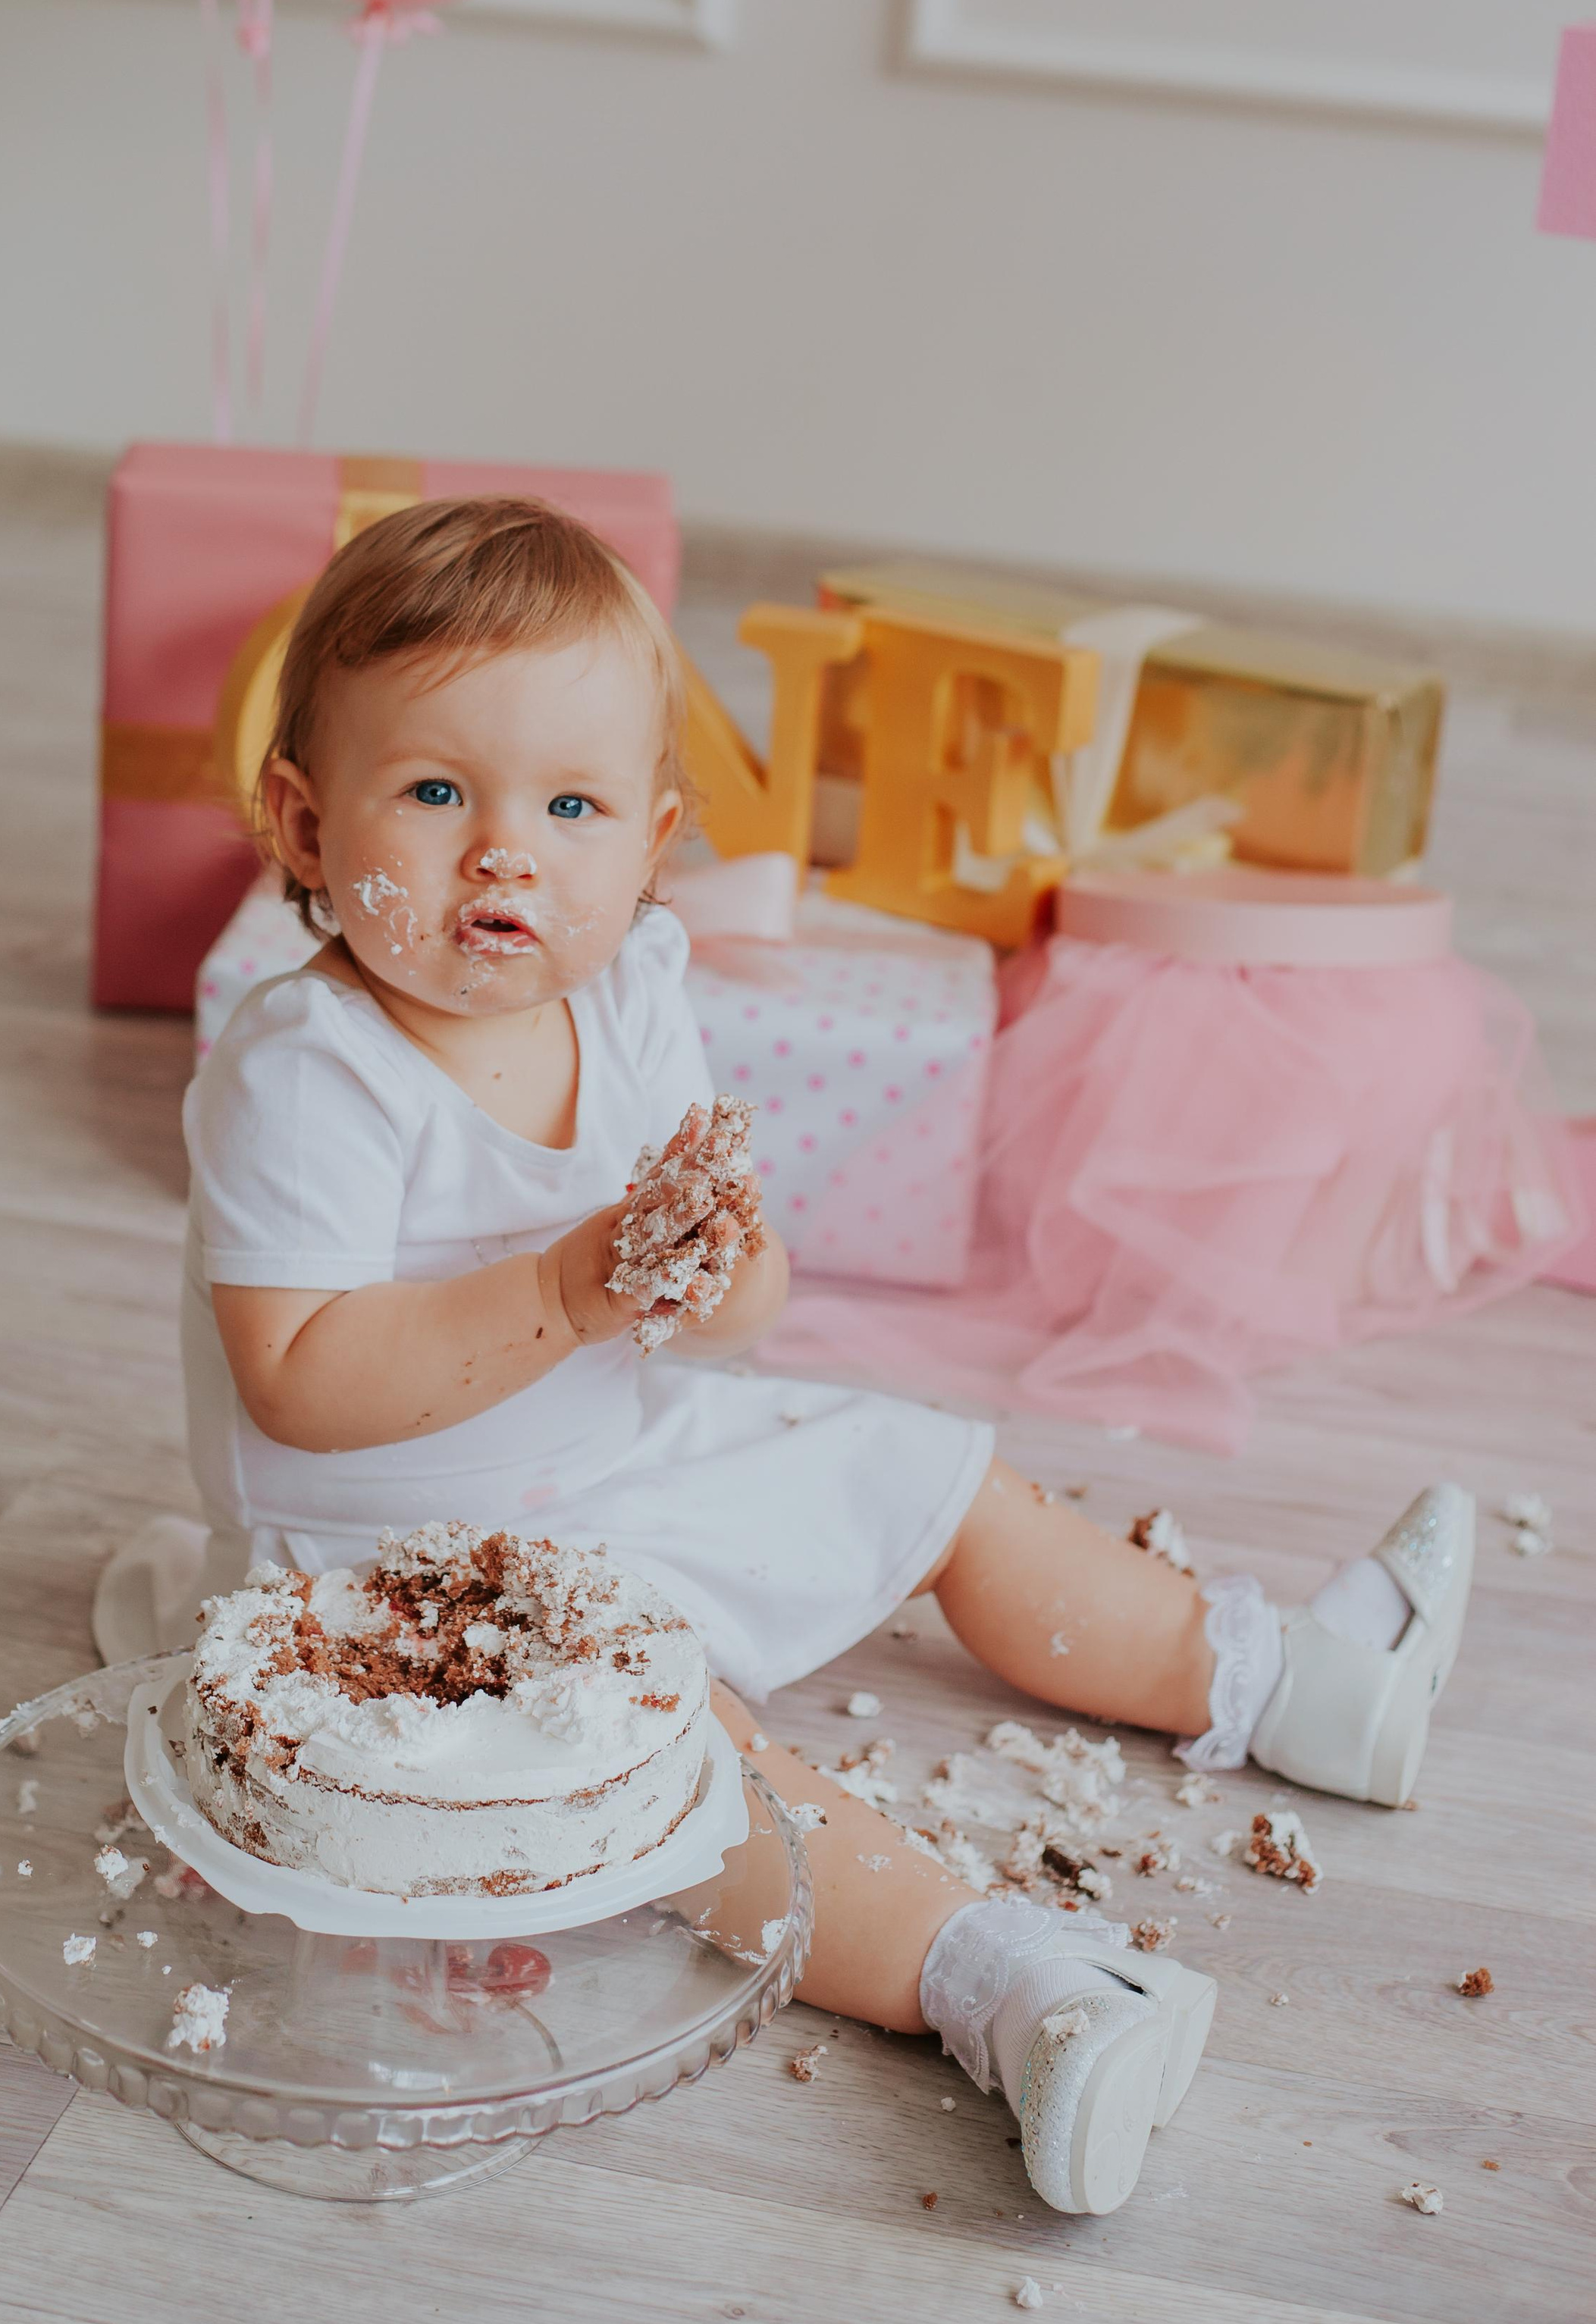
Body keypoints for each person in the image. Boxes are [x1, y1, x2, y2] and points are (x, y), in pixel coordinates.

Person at [94, 497, 1475, 2217]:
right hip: (402, 1584)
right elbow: (299, 1379)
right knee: (703, 1768)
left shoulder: (628, 998)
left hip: (627, 1452)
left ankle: (1277, 1678)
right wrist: (575, 1293)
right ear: (305, 822)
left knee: (942, 1476)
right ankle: (1011, 1991)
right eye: (436, 793)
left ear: (651, 846)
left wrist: (715, 1275)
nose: (505, 853)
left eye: (570, 808)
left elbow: (738, 1306)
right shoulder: (309, 1071)